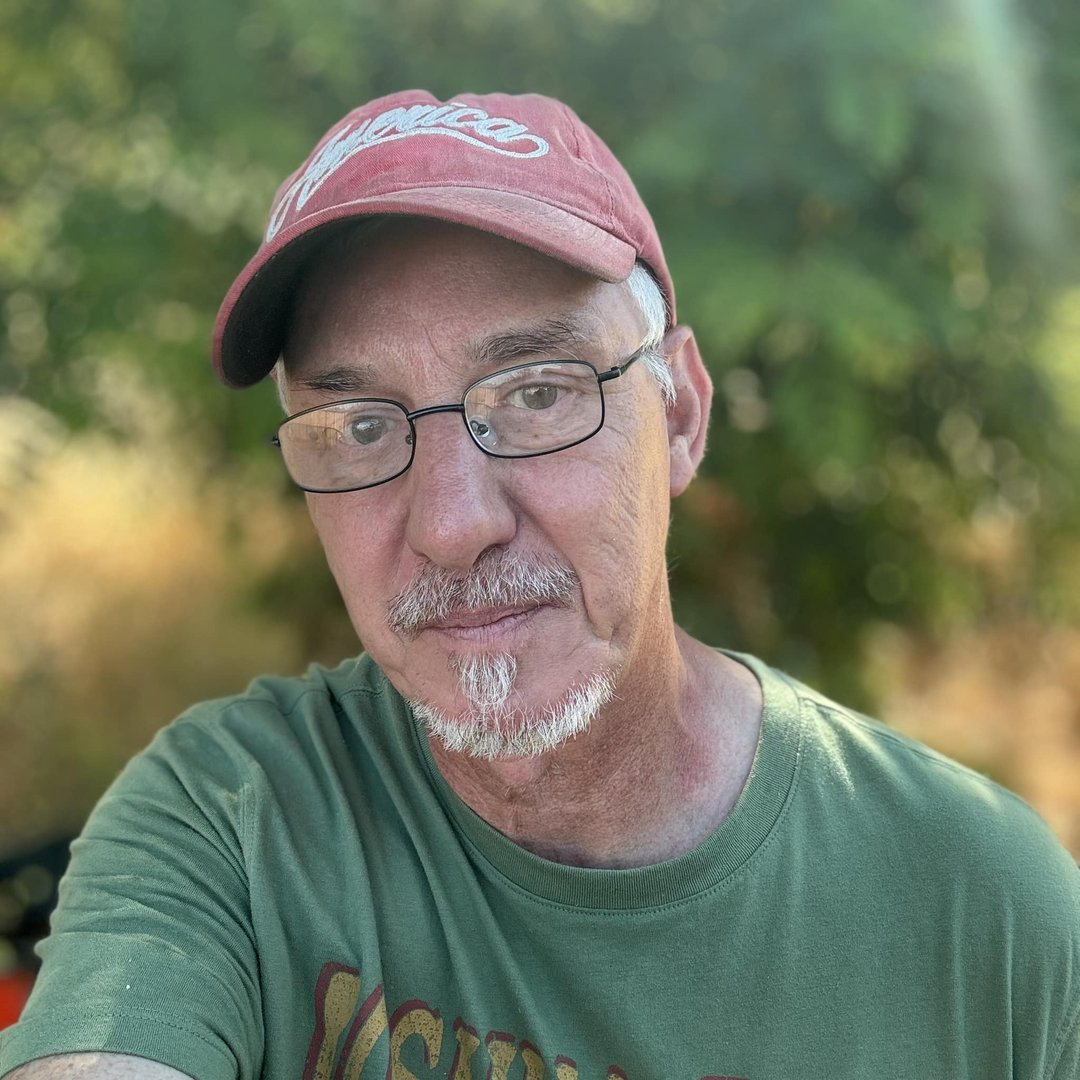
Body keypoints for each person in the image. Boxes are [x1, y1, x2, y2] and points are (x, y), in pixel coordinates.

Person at [1, 90, 1077, 1080]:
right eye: (361, 426)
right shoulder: (233, 822)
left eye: (537, 392)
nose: (454, 523)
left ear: (683, 415)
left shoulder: (982, 910)